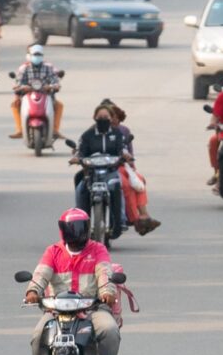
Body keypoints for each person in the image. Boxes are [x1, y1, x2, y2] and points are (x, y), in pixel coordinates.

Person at [24, 208, 120, 355]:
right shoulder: (53, 251)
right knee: (36, 337)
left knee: (110, 331)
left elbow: (105, 273)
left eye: (80, 228)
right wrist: (33, 291)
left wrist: (107, 292)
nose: (76, 233)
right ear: (63, 231)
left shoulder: (97, 249)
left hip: (92, 308)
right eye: (71, 228)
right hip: (57, 312)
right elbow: (40, 275)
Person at [72, 101, 131, 239]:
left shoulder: (117, 134)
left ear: (111, 118)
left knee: (117, 186)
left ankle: (118, 222)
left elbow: (122, 148)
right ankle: (81, 223)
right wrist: (77, 158)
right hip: (91, 173)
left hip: (110, 172)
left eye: (106, 117)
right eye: (100, 117)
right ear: (94, 117)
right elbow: (81, 151)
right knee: (81, 189)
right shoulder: (87, 135)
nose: (103, 119)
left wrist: (125, 155)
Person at [105, 101, 160, 235]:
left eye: (115, 116)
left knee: (139, 180)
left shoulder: (123, 131)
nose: (113, 120)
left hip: (120, 165)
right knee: (125, 185)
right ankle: (136, 220)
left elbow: (128, 151)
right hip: (104, 167)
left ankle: (144, 215)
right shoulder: (94, 131)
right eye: (109, 117)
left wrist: (132, 169)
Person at [9, 45, 65, 141]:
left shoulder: (48, 68)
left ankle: (55, 130)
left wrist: (53, 86)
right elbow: (19, 82)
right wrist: (22, 87)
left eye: (39, 55)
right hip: (28, 95)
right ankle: (20, 130)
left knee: (59, 105)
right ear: (30, 55)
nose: (37, 57)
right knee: (15, 104)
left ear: (42, 56)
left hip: (46, 95)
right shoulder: (25, 69)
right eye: (35, 54)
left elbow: (55, 81)